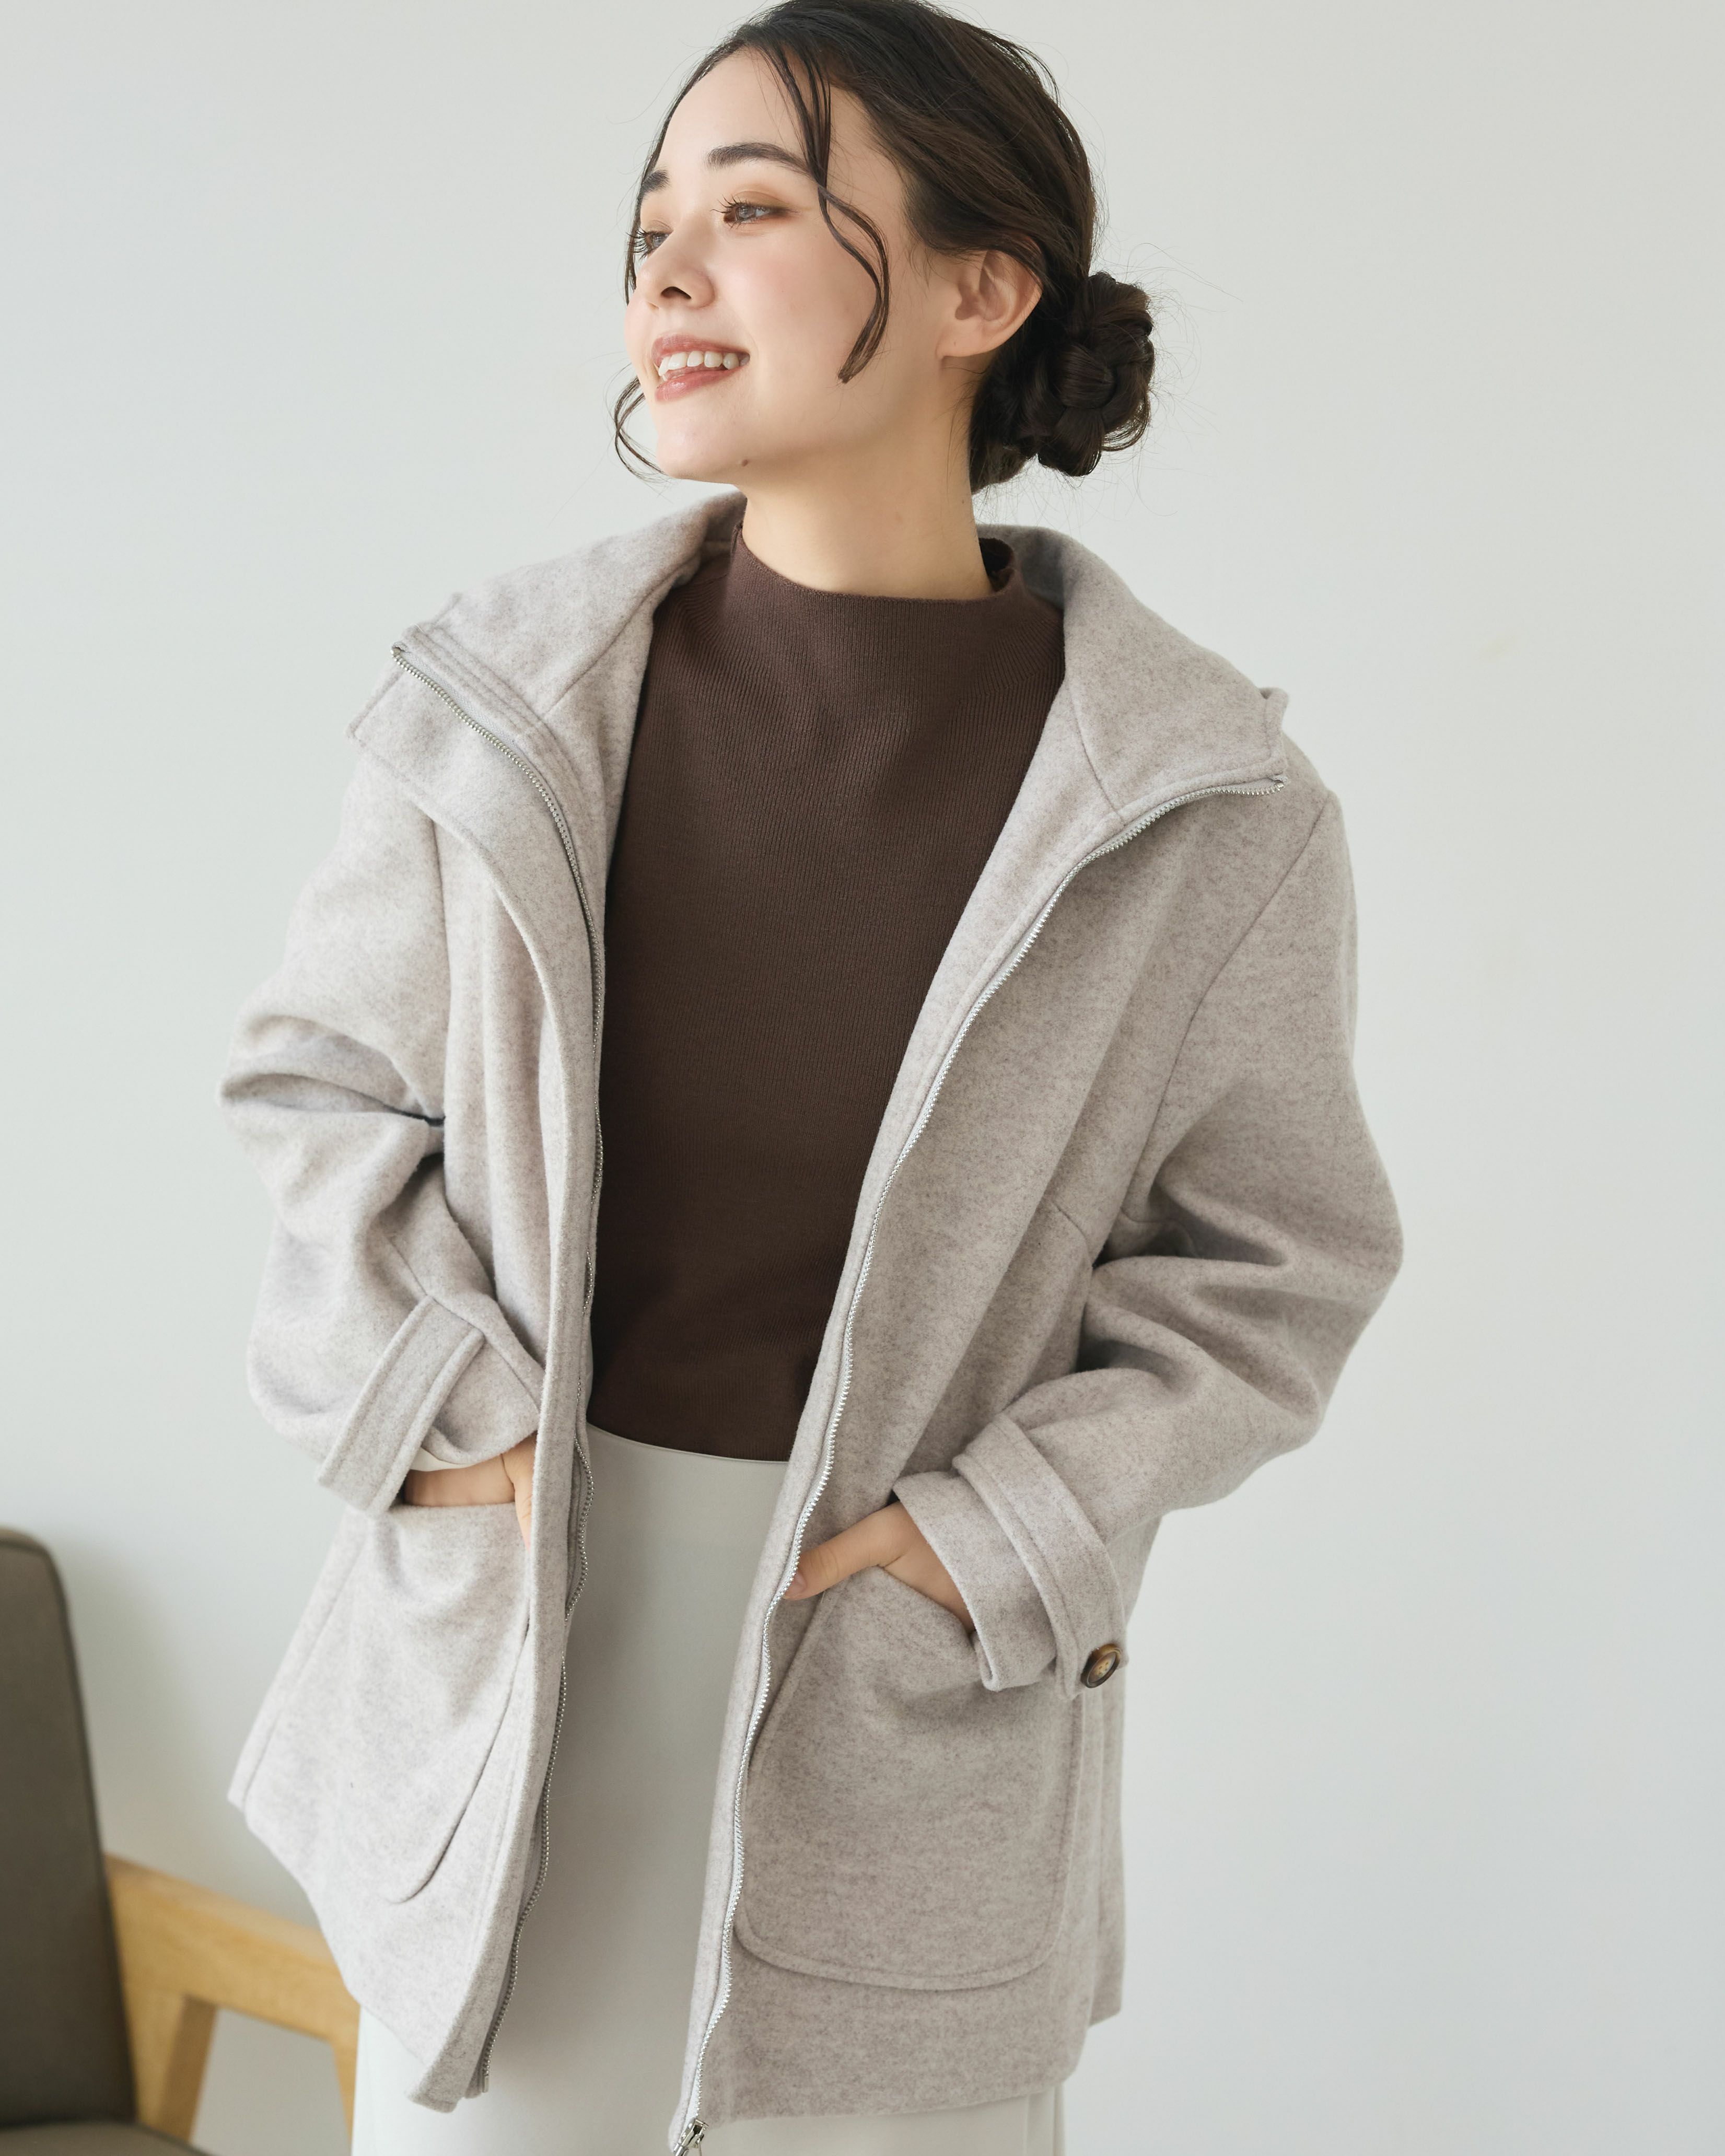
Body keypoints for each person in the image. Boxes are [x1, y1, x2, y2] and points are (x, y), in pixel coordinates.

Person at [218, 3, 1402, 2150]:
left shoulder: (1201, 807)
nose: (666, 273)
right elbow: (320, 1097)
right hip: (505, 1660)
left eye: (752, 210)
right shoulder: (503, 705)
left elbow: (1276, 1267)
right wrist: (453, 1433)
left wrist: (990, 1539)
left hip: (899, 1713)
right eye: (650, 225)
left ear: (979, 290)